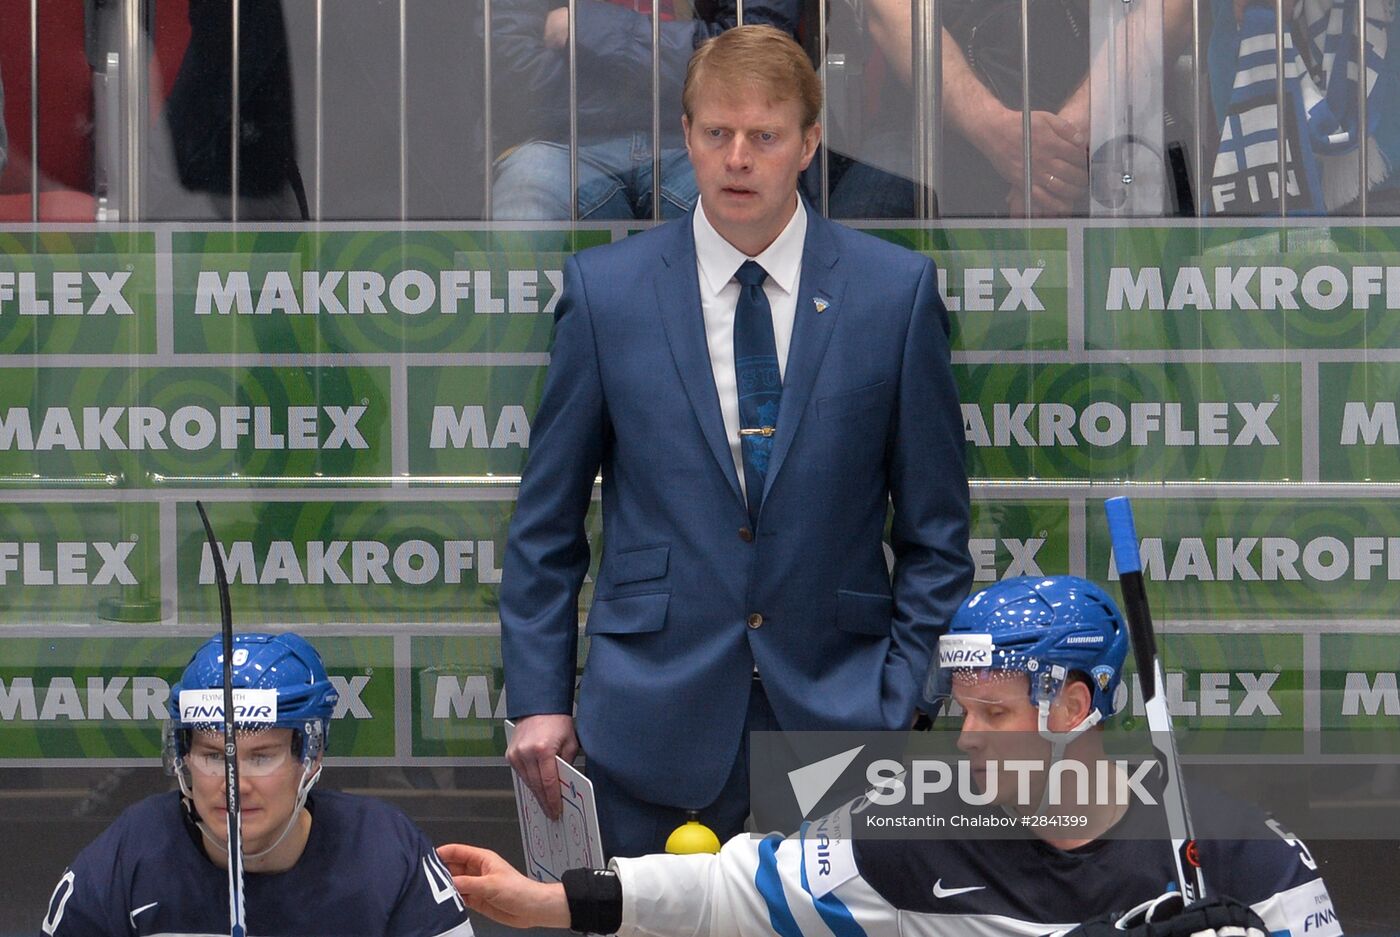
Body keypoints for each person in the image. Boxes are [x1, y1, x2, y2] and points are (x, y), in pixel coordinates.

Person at [501, 24, 973, 858]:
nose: (738, 157)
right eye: (717, 133)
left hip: (841, 722)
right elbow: (546, 525)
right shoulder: (607, 294)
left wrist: (904, 699)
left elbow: (936, 533)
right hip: (647, 727)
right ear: (686, 137)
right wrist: (539, 697)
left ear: (810, 142)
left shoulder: (893, 294)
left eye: (765, 135)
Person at [440, 575, 1342, 937]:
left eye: (994, 711)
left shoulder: (1238, 851)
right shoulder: (914, 829)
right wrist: (550, 899)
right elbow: (727, 888)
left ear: (1075, 707)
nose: (968, 738)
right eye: (962, 711)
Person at [39, 632, 474, 937]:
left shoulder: (385, 850)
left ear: (311, 755)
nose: (234, 785)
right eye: (213, 756)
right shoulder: (129, 853)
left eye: (261, 757)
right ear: (183, 757)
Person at [837, 0, 1192, 218]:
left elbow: (1166, 10)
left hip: (1102, 108)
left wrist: (1059, 146)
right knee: (865, 225)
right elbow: (892, 11)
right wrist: (997, 131)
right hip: (925, 122)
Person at [488, 0, 801, 220]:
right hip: (566, 140)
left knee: (749, 211)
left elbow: (756, 56)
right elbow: (512, 65)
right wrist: (668, 74)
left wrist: (587, 28)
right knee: (526, 197)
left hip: (702, 136)